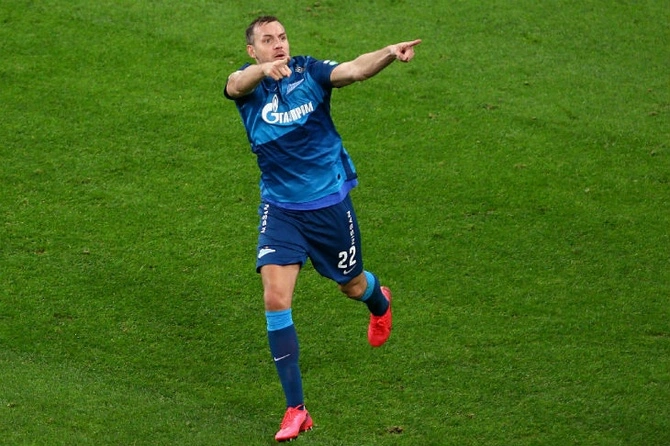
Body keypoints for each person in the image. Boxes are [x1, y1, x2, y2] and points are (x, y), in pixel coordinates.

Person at [224, 15, 421, 442]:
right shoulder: (248, 84)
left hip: (329, 207)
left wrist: (388, 53)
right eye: (268, 40)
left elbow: (353, 70)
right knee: (275, 298)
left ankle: (379, 302)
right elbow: (235, 84)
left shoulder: (309, 72)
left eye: (282, 37)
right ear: (252, 50)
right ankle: (296, 410)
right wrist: (261, 71)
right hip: (280, 210)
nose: (279, 45)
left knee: (351, 285)